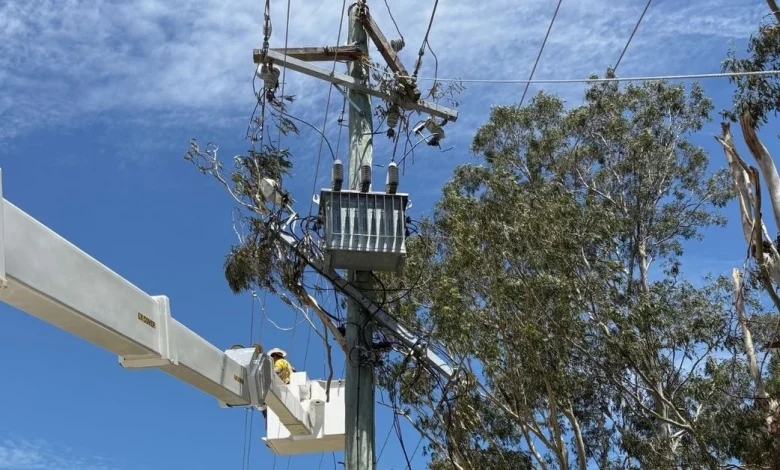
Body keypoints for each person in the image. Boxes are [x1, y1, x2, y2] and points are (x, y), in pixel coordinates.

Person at [261, 348, 293, 420]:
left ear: (274, 356)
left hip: (283, 388)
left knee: (262, 403)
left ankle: (267, 418)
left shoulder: (279, 362)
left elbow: (276, 371)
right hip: (288, 386)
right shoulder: (286, 363)